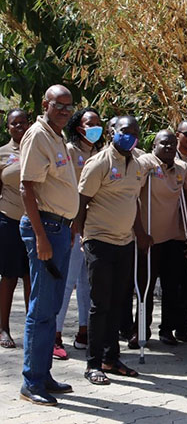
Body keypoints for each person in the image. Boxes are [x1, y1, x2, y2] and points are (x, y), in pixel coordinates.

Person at [75, 115, 157, 385]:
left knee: (118, 302)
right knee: (100, 304)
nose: (130, 136)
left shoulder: (136, 164)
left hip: (125, 242)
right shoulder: (98, 163)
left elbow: (132, 201)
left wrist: (141, 233)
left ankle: (111, 358)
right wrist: (80, 237)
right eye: (124, 131)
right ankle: (93, 363)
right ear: (111, 133)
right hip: (99, 241)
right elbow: (82, 202)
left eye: (135, 132)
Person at [18, 85, 78, 405]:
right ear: (45, 104)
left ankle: (44, 373)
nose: (66, 111)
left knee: (51, 309)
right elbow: (27, 188)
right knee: (41, 309)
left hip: (60, 229)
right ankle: (31, 382)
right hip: (46, 229)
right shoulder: (37, 135)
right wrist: (41, 237)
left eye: (70, 106)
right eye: (59, 105)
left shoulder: (57, 137)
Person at [132, 131, 187, 348]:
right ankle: (140, 330)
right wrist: (140, 233)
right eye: (164, 143)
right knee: (145, 285)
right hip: (149, 237)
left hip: (174, 236)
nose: (170, 147)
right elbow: (132, 195)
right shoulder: (145, 163)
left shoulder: (183, 168)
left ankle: (168, 330)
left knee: (173, 287)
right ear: (154, 145)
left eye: (173, 144)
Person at [54, 108, 103, 358]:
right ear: (78, 127)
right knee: (68, 279)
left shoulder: (101, 153)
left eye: (97, 123)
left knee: (87, 281)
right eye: (89, 123)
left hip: (96, 225)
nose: (94, 128)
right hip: (74, 222)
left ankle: (85, 330)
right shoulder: (71, 151)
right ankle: (56, 333)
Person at [0, 109, 31, 350]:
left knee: (32, 278)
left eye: (23, 122)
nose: (19, 126)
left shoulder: (39, 147)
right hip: (9, 221)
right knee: (9, 277)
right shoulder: (2, 154)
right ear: (8, 127)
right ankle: (3, 329)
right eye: (14, 123)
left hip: (37, 223)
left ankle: (33, 331)